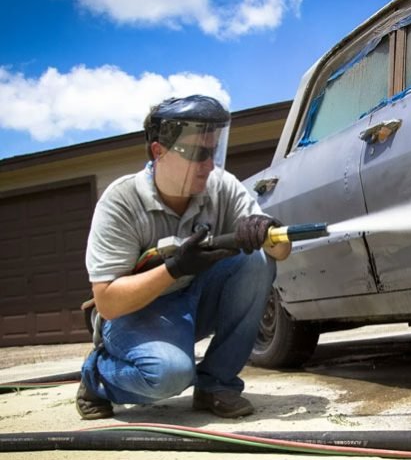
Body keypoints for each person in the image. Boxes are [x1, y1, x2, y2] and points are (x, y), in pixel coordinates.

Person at [77, 95, 291, 420]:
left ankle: (216, 385)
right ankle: (98, 378)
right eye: (197, 154)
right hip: (135, 313)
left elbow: (281, 251)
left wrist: (267, 229)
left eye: (213, 151)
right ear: (158, 152)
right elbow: (107, 302)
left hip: (191, 300)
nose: (209, 165)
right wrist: (175, 268)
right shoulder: (121, 202)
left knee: (257, 261)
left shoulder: (219, 186)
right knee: (170, 375)